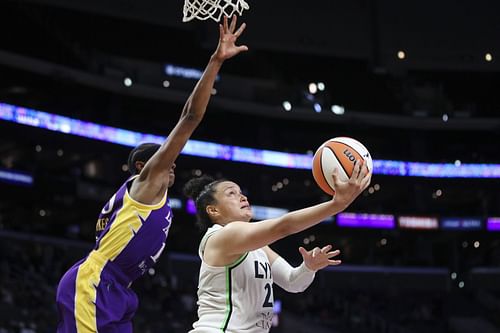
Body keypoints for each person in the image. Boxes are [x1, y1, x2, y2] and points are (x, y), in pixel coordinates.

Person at [55, 15, 248, 333]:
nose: (171, 163)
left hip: (117, 289)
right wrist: (215, 61)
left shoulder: (143, 197)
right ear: (144, 166)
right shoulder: (147, 183)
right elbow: (190, 117)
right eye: (161, 159)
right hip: (96, 283)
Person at [184, 161, 371, 332]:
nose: (242, 197)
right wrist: (336, 205)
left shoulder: (257, 248)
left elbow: (293, 282)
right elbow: (284, 226)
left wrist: (308, 267)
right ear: (213, 210)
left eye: (241, 192)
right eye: (231, 193)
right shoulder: (221, 236)